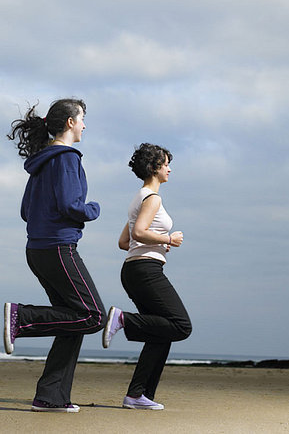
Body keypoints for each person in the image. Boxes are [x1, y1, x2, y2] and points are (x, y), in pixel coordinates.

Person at [4, 98, 107, 413]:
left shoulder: (42, 160)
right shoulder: (66, 158)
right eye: (82, 119)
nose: (85, 125)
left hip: (37, 249)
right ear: (70, 122)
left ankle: (51, 396)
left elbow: (25, 211)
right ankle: (23, 317)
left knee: (71, 319)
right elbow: (70, 205)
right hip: (57, 248)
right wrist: (93, 209)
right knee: (93, 315)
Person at [103, 143, 192, 410]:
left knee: (160, 333)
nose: (169, 169)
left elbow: (124, 241)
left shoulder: (138, 198)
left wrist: (156, 243)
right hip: (146, 271)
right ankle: (123, 319)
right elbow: (139, 233)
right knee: (181, 325)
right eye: (165, 164)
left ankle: (137, 395)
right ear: (154, 167)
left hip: (134, 269)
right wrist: (168, 239)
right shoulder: (153, 198)